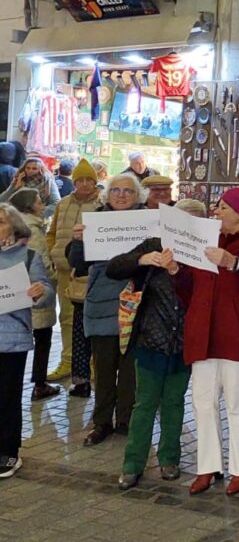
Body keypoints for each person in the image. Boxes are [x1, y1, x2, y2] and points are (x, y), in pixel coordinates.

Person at [173, 188, 239, 496]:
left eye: (223, 206)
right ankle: (208, 466)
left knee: (238, 404)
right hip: (202, 333)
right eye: (217, 206)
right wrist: (176, 271)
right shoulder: (205, 238)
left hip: (236, 334)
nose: (216, 211)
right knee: (202, 403)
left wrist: (236, 264)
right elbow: (188, 289)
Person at [109, 199, 207, 490]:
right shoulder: (153, 244)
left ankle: (169, 459)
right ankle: (132, 464)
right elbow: (113, 268)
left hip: (184, 342)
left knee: (174, 403)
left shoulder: (203, 253)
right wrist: (142, 259)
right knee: (145, 404)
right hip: (151, 341)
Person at [66, 173, 146, 447]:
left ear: (138, 197)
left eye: (128, 191)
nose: (121, 195)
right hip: (101, 303)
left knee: (129, 371)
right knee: (103, 368)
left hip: (136, 305)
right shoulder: (95, 222)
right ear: (107, 195)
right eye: (116, 190)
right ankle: (101, 422)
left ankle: (126, 422)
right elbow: (78, 264)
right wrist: (77, 240)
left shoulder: (147, 223)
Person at [0, 203, 53, 478]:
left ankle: (8, 451)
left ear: (14, 226)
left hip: (11, 338)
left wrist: (39, 291)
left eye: (0, 222)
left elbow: (46, 290)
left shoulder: (28, 256)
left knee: (7, 397)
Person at [46, 158, 102, 388]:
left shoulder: (102, 204)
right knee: (66, 318)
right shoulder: (63, 203)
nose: (85, 184)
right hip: (63, 271)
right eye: (81, 180)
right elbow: (52, 232)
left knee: (89, 320)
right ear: (75, 181)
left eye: (90, 180)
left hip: (89, 273)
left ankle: (90, 364)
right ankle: (67, 361)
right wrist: (54, 253)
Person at [10, 189, 58, 400]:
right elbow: (42, 263)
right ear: (30, 205)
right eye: (39, 201)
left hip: (19, 293)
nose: (42, 204)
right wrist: (54, 277)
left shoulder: (24, 224)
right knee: (43, 338)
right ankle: (39, 383)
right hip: (33, 293)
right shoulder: (33, 229)